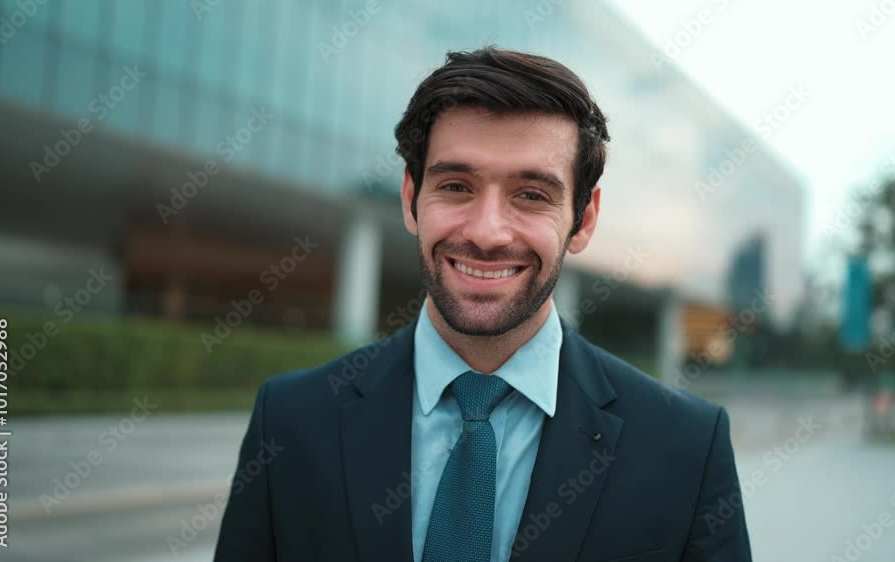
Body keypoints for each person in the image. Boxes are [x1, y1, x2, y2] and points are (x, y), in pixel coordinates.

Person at [213, 46, 752, 562]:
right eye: (455, 185)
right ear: (410, 199)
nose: (488, 232)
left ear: (583, 221)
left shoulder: (687, 448)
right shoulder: (289, 423)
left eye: (531, 195)